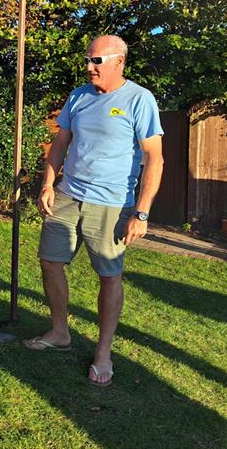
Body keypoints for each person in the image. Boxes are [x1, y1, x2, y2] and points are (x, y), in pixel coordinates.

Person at [24, 35, 163, 388]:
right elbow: (60, 143)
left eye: (96, 61)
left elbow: (155, 159)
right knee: (50, 262)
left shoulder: (139, 99)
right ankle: (59, 332)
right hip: (68, 194)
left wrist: (141, 213)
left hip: (111, 202)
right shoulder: (79, 96)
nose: (89, 67)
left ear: (118, 62)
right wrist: (47, 184)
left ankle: (103, 351)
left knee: (108, 275)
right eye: (88, 59)